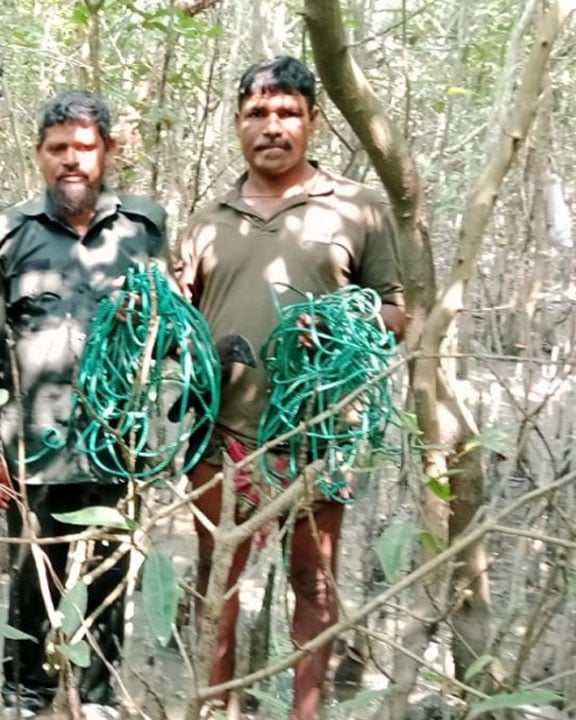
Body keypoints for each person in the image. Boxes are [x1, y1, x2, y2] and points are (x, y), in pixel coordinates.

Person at [174, 56, 405, 720]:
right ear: (238, 123)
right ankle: (219, 707)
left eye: (287, 113)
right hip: (220, 438)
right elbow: (183, 319)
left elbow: (396, 310)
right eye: (257, 113)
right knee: (217, 580)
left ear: (314, 121)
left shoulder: (357, 206)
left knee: (313, 582)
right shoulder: (206, 217)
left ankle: (305, 713)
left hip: (317, 436)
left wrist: (344, 325)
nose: (272, 127)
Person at [0, 90, 168, 718]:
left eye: (84, 147)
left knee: (109, 582)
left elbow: (166, 332)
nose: (71, 161)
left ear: (106, 153)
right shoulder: (9, 234)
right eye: (58, 149)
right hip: (35, 452)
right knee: (33, 584)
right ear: (39, 156)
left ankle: (101, 701)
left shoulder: (145, 229)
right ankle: (26, 700)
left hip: (118, 446)